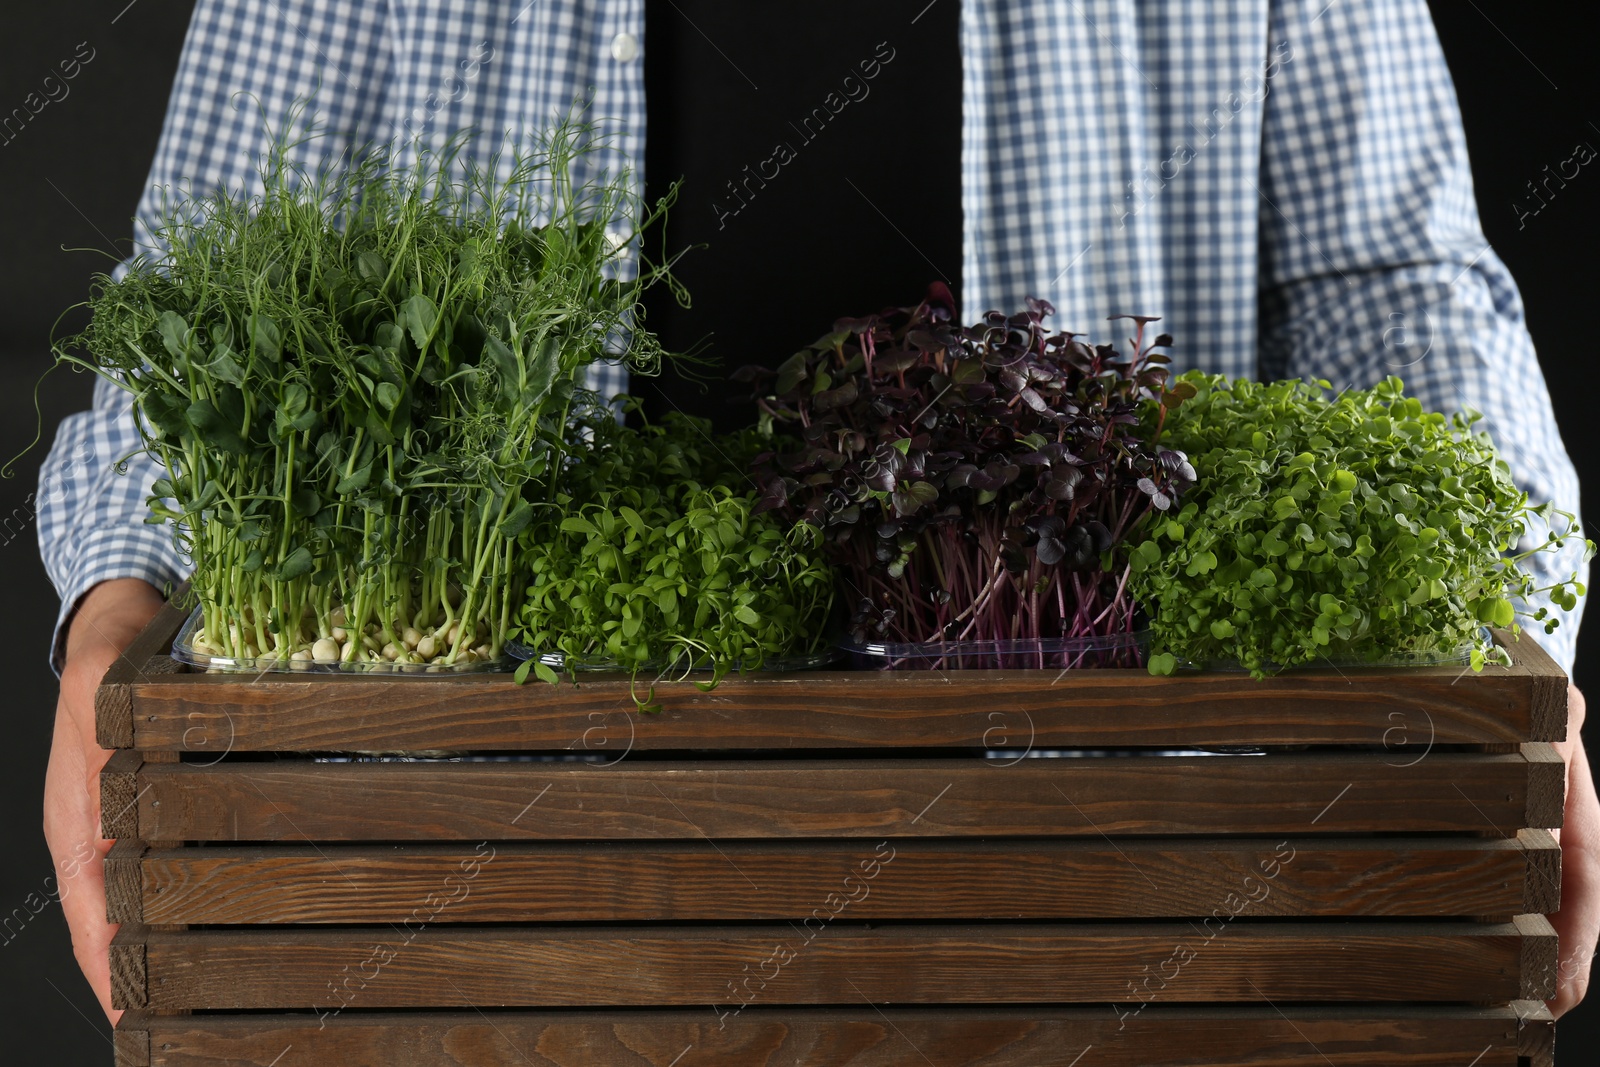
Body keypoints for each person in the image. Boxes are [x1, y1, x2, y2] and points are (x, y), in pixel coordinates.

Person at [38, 0, 1597, 1026]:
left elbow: (1399, 281)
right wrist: (122, 614)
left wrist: (1511, 644)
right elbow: (198, 305)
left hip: (1115, 884)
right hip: (513, 885)